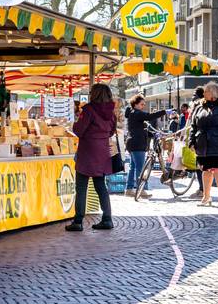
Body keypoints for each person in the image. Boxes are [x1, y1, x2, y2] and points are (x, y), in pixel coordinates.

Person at [66, 84, 116, 231]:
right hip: (102, 152)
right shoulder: (110, 112)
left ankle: (78, 221)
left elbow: (79, 130)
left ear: (94, 94)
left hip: (87, 151)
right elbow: (112, 131)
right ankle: (107, 218)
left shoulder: (89, 110)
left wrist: (75, 125)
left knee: (81, 187)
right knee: (101, 186)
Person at [191, 82, 218, 208]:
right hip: (203, 144)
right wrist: (191, 141)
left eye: (206, 91)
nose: (204, 93)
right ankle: (206, 197)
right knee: (205, 171)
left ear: (213, 93)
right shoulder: (200, 107)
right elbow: (194, 126)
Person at [125, 94, 168, 198]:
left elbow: (139, 130)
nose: (143, 106)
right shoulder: (137, 113)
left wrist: (152, 134)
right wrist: (164, 112)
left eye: (144, 104)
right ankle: (142, 189)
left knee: (133, 167)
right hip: (137, 144)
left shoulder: (132, 113)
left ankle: (129, 189)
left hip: (132, 143)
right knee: (141, 168)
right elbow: (149, 116)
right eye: (141, 104)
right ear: (135, 104)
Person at [187, 86, 207, 199]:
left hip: (200, 139)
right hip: (200, 138)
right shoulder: (201, 106)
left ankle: (202, 190)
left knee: (200, 166)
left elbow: (192, 125)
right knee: (201, 166)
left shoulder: (198, 106)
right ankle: (203, 189)